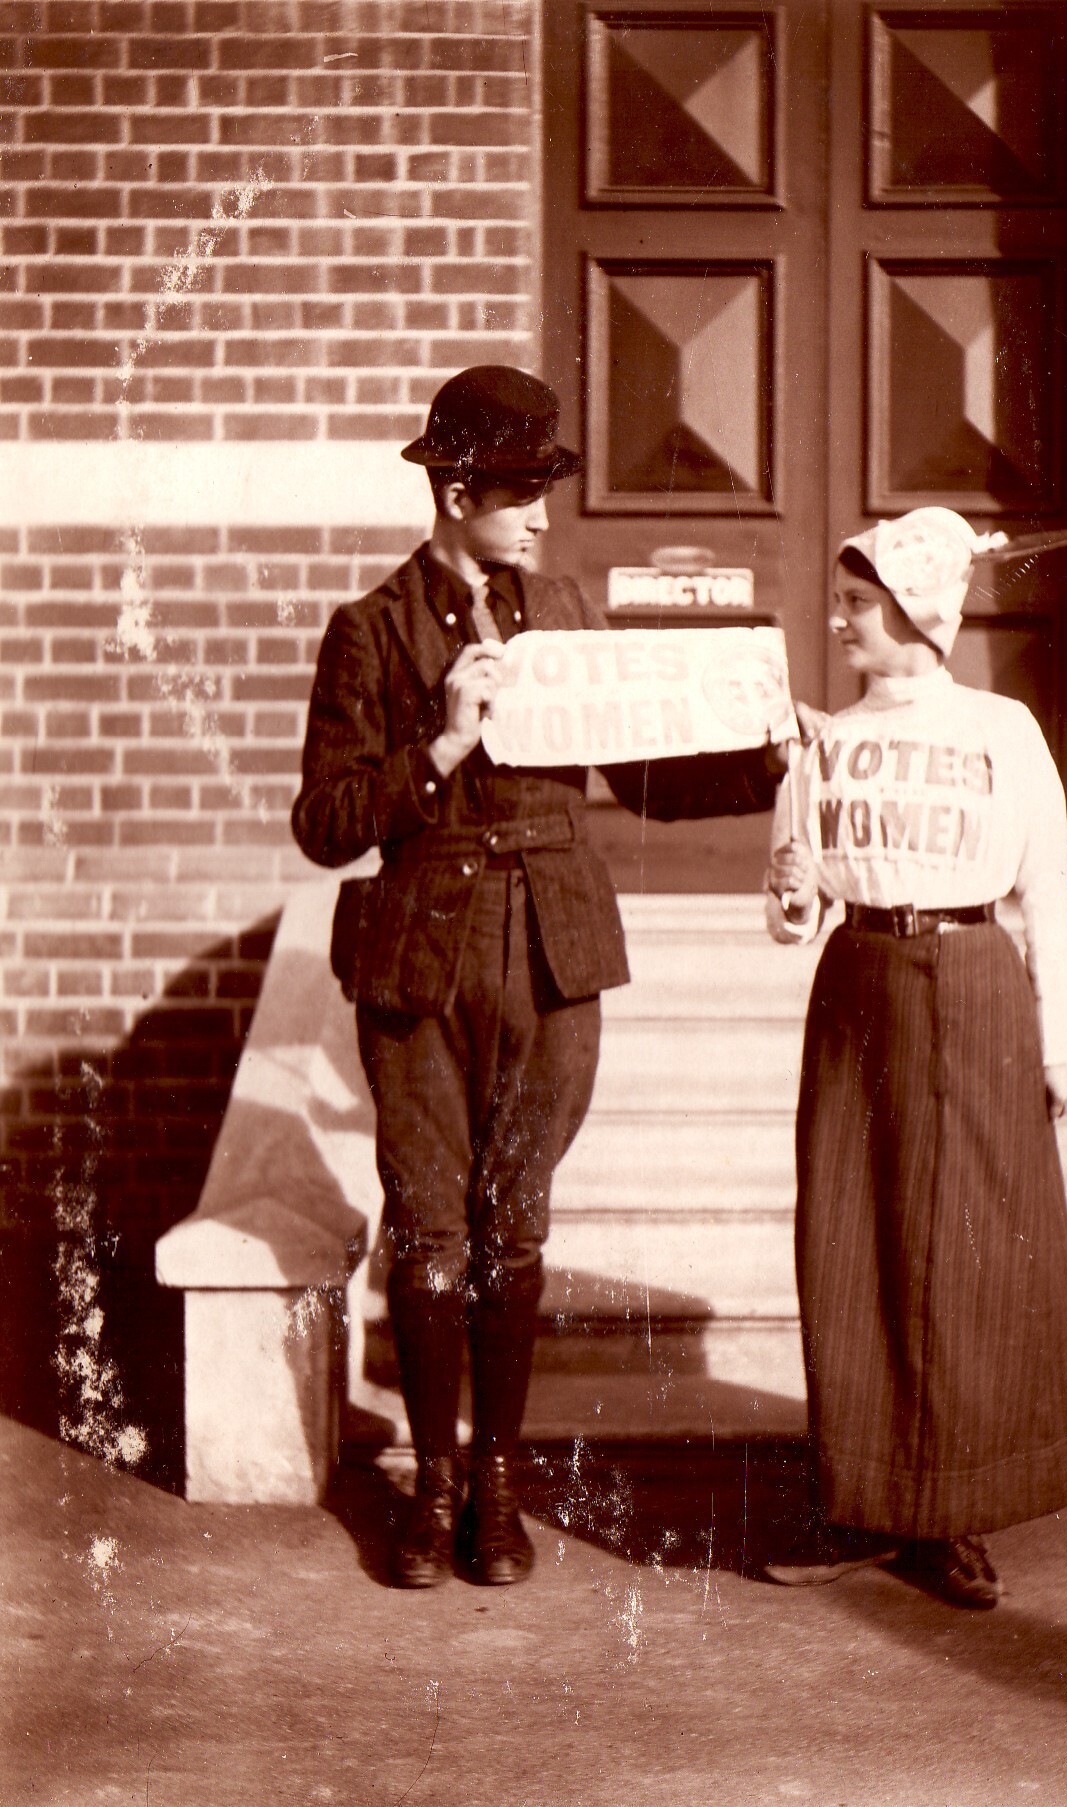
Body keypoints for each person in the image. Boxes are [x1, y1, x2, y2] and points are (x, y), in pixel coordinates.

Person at [292, 365, 779, 1589]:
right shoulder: (370, 628)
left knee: (514, 1229)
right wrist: (442, 743)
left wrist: (765, 757)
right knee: (430, 1232)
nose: (543, 518)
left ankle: (496, 1485)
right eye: (521, 494)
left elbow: (643, 773)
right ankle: (432, 1487)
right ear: (457, 493)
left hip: (552, 954)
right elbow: (326, 822)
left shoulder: (561, 612)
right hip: (420, 960)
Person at [764, 507, 1067, 1609]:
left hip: (973, 985)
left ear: (919, 611)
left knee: (967, 1251)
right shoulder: (822, 742)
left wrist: (1059, 1040)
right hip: (859, 983)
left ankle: (956, 1514)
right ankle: (862, 1503)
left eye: (856, 605)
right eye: (840, 603)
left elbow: (1047, 895)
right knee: (849, 1238)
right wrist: (792, 887)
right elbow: (791, 914)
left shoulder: (1000, 729)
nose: (838, 622)